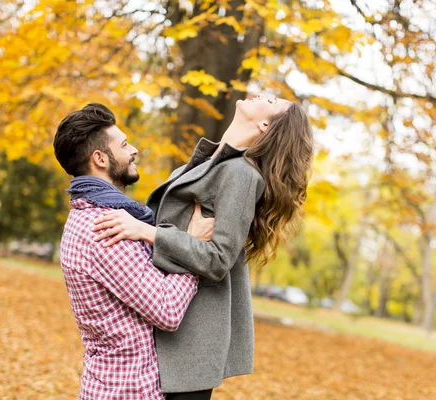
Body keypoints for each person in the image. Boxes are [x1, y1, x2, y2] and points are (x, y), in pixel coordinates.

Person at [93, 93, 314, 399]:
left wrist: (148, 233)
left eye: (273, 101)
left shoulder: (242, 175)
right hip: (164, 324)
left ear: (265, 124)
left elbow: (219, 259)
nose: (263, 93)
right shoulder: (208, 162)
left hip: (192, 341)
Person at [53, 103, 215, 400]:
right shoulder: (105, 228)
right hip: (127, 391)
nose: (134, 150)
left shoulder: (95, 215)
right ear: (100, 158)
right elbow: (167, 311)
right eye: (125, 144)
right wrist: (193, 244)